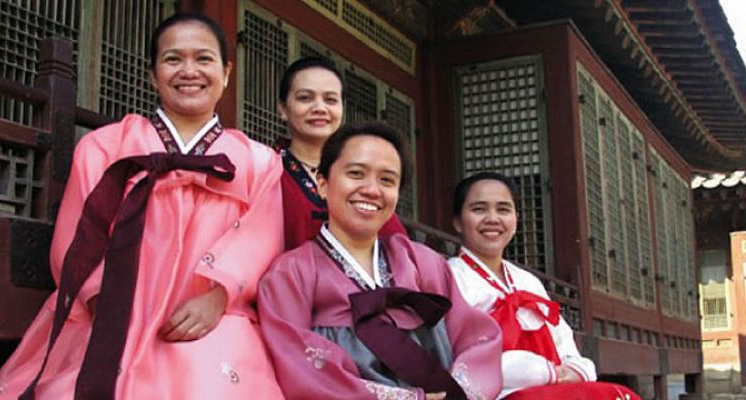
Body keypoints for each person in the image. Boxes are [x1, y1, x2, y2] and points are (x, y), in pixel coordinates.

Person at [0, 13, 284, 399]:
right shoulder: (105, 147)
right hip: (112, 311)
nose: (189, 71)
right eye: (173, 59)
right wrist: (104, 303)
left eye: (204, 59)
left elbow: (262, 243)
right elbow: (76, 239)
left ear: (225, 73)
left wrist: (219, 296)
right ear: (153, 74)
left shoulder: (258, 163)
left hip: (211, 318)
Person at [258, 122, 502, 400]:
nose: (372, 190)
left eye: (387, 180)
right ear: (322, 183)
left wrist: (460, 392)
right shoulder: (292, 273)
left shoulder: (423, 263)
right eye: (356, 174)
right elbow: (299, 368)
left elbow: (476, 337)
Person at [448, 172, 640, 400]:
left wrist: (576, 369)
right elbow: (457, 360)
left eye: (503, 209)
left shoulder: (528, 281)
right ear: (458, 222)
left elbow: (562, 341)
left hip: (553, 387)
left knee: (619, 394)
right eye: (479, 209)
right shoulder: (449, 276)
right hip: (496, 393)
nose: (492, 218)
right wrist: (543, 373)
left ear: (516, 220)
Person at [276, 57, 406, 250]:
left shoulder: (363, 174)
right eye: (305, 98)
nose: (319, 108)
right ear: (283, 109)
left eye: (330, 100)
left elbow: (396, 246)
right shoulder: (267, 170)